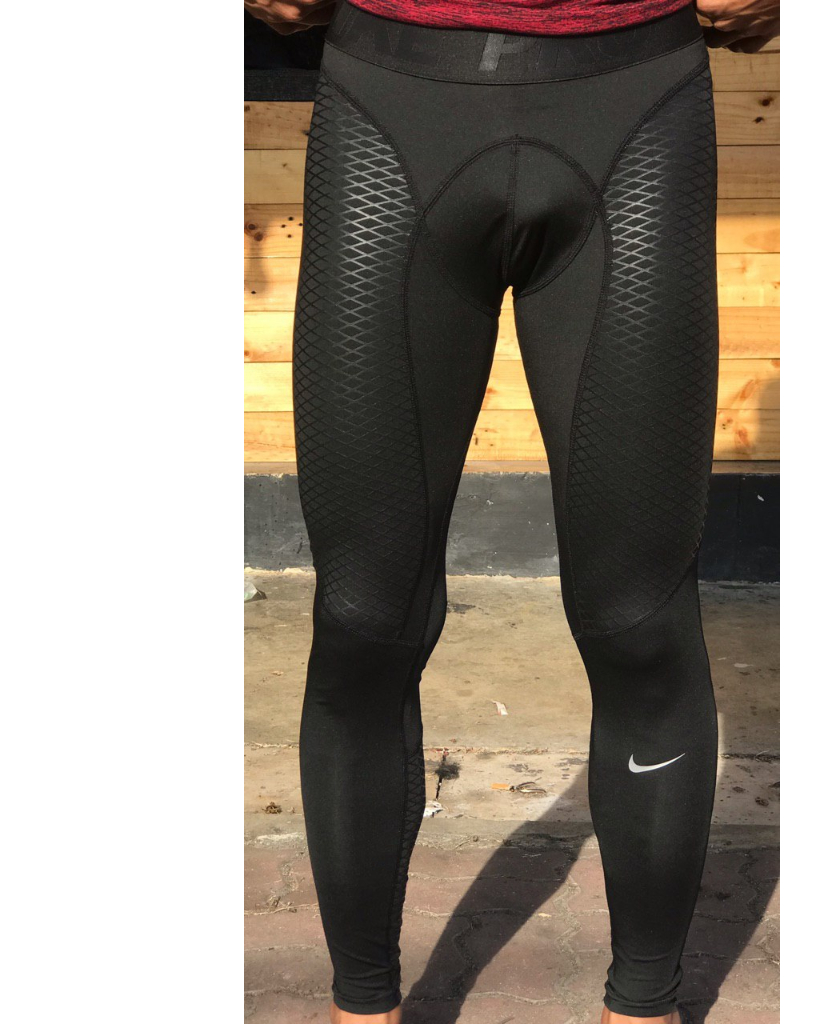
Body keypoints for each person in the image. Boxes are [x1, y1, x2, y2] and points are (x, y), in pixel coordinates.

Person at [242, 2, 779, 1023]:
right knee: (362, 619)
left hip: (635, 103)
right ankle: (361, 1006)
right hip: (390, 99)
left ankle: (645, 1006)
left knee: (639, 623)